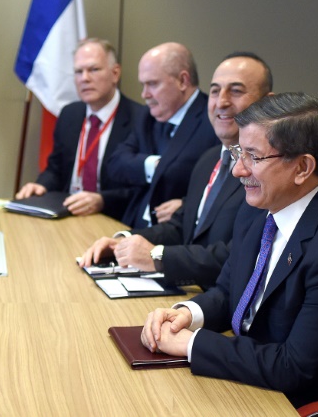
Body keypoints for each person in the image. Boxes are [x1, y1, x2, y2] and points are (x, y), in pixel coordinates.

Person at [141, 93, 318, 407]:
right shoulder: (261, 204)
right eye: (238, 151)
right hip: (249, 373)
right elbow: (230, 290)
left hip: (294, 401)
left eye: (253, 156)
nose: (238, 170)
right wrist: (187, 314)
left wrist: (192, 344)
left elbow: (294, 367)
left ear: (302, 167)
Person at [80, 52, 273, 289]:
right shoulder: (209, 160)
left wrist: (158, 257)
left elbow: (238, 256)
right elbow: (180, 227)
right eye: (214, 91)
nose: (221, 102)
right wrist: (123, 243)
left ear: (267, 101)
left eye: (235, 91)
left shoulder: (267, 171)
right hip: (189, 294)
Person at [15, 38, 145, 219]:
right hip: (67, 214)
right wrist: (41, 186)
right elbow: (55, 169)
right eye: (78, 72)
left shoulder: (140, 119)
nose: (84, 78)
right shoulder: (70, 114)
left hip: (112, 219)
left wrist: (102, 200)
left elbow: (142, 189)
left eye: (94, 69)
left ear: (115, 73)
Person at [107, 42, 219, 228]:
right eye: (143, 85)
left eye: (152, 84)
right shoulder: (147, 116)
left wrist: (187, 205)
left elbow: (219, 188)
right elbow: (116, 163)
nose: (144, 94)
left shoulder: (213, 121)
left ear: (183, 81)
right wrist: (154, 165)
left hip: (175, 237)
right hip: (131, 224)